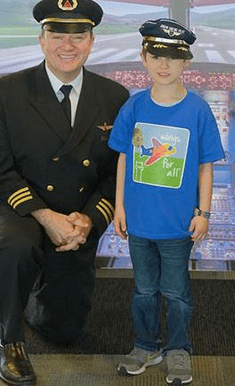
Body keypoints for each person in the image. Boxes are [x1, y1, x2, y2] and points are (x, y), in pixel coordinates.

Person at [0, 0, 129, 384]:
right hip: (20, 208)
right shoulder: (7, 91)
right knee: (18, 247)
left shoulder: (114, 97)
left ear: (92, 42)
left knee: (64, 330)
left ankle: (34, 301)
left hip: (78, 215)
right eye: (58, 36)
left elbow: (113, 174)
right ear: (42, 40)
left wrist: (89, 219)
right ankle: (9, 339)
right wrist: (44, 215)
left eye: (78, 36)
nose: (67, 46)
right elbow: (2, 168)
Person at [108, 18, 225, 385]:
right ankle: (145, 345)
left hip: (177, 225)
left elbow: (206, 167)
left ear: (186, 62)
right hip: (140, 222)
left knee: (176, 292)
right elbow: (124, 159)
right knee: (143, 290)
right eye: (156, 55)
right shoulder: (134, 106)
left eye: (173, 57)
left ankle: (178, 349)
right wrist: (120, 207)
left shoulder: (199, 110)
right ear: (143, 58)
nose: (164, 64)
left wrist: (204, 213)